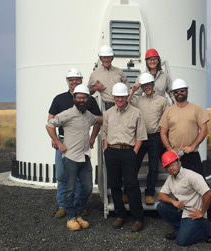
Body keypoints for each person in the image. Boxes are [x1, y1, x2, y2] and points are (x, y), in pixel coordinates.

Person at [159, 78, 211, 228]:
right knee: (178, 186)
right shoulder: (168, 111)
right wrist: (170, 149)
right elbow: (163, 133)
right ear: (173, 94)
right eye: (176, 91)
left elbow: (204, 130)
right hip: (175, 157)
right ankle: (183, 215)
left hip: (192, 154)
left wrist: (192, 146)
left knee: (202, 183)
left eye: (182, 90)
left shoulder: (196, 108)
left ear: (187, 91)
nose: (179, 93)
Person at [46, 84, 103, 231]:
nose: (82, 100)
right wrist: (59, 143)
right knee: (70, 189)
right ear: (74, 99)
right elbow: (49, 125)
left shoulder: (88, 115)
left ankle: (78, 213)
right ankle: (71, 217)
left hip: (85, 157)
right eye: (79, 97)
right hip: (71, 158)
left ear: (88, 99)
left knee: (88, 188)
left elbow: (100, 120)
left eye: (84, 97)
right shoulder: (67, 114)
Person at [103, 82, 147, 232]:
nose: (120, 100)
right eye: (117, 97)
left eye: (122, 96)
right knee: (115, 185)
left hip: (129, 152)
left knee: (132, 185)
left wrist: (134, 152)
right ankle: (120, 215)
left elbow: (140, 136)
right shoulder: (108, 113)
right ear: (114, 97)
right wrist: (105, 149)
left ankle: (138, 218)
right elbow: (105, 134)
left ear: (126, 96)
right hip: (112, 152)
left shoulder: (136, 113)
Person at [157, 151, 211, 246]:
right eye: (167, 166)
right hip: (181, 209)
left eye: (172, 164)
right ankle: (179, 228)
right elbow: (161, 196)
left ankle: (207, 227)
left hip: (193, 213)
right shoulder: (171, 179)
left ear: (179, 163)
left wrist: (202, 212)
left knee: (182, 242)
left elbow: (208, 193)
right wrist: (173, 201)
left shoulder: (192, 176)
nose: (170, 168)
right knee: (161, 206)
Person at [126, 72, 169, 205]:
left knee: (154, 167)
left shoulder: (162, 101)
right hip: (140, 137)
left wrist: (165, 139)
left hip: (156, 137)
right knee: (134, 165)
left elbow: (167, 120)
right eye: (144, 86)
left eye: (148, 85)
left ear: (153, 84)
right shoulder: (138, 100)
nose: (147, 88)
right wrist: (133, 90)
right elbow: (125, 103)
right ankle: (127, 192)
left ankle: (149, 194)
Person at [88, 45, 130, 110]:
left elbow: (127, 90)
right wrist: (95, 88)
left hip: (122, 105)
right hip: (107, 106)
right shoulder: (95, 74)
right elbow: (87, 92)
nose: (106, 60)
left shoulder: (119, 72)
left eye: (108, 57)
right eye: (104, 57)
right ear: (100, 58)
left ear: (112, 58)